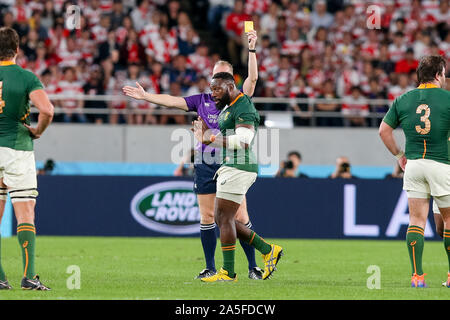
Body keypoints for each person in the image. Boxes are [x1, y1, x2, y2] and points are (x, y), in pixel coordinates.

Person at [123, 31, 264, 280]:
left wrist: (252, 49)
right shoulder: (202, 99)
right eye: (214, 76)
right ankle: (211, 267)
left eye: (224, 76)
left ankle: (253, 266)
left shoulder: (239, 99)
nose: (218, 81)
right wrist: (146, 97)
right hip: (206, 162)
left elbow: (253, 77)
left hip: (231, 161)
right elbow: (172, 101)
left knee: (240, 216)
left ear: (231, 80)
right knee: (207, 216)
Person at [192, 71, 283, 282]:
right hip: (232, 165)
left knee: (224, 219)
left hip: (239, 165)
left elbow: (243, 140)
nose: (213, 93)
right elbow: (225, 138)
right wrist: (206, 135)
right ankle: (268, 250)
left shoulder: (243, 104)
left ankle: (228, 272)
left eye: (217, 88)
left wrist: (210, 138)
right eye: (211, 89)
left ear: (231, 86)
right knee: (224, 218)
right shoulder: (229, 107)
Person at [379, 55, 450, 288]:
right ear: (439, 75)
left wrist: (400, 156)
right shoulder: (447, 99)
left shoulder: (403, 99)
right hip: (441, 163)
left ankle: (417, 277)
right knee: (449, 221)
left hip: (415, 165)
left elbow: (384, 131)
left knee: (416, 221)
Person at [0, 27, 53, 290]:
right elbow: (47, 110)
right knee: (25, 213)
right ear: (17, 50)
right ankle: (28, 277)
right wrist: (38, 131)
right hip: (17, 149)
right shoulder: (25, 77)